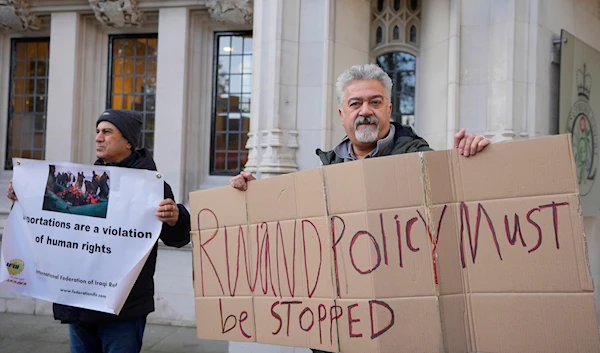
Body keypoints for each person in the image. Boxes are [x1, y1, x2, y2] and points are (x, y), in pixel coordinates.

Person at [229, 64, 491, 353]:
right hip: (341, 331)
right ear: (342, 115)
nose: (365, 111)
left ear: (389, 110)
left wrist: (469, 165)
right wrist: (254, 197)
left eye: (375, 102)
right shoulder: (326, 171)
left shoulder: (422, 161)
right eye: (355, 103)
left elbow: (457, 217)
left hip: (405, 331)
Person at [7, 109, 191, 353]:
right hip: (80, 305)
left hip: (122, 310)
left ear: (128, 141)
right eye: (97, 131)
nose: (98, 138)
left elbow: (176, 239)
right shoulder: (86, 180)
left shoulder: (152, 187)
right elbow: (51, 224)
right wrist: (22, 197)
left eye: (107, 132)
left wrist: (176, 218)